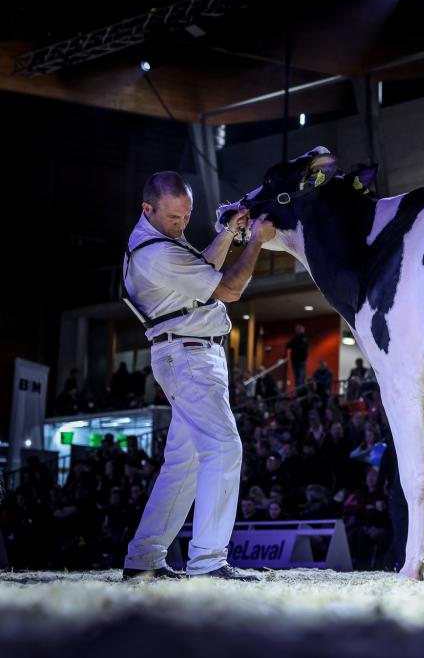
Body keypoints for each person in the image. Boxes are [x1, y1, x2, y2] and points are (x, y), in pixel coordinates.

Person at [120, 170, 273, 581]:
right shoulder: (155, 253)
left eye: (186, 216)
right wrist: (256, 239)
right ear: (146, 208)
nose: (181, 224)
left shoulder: (160, 239)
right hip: (188, 355)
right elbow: (227, 289)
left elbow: (201, 267)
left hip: (186, 352)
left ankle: (145, 559)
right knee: (223, 449)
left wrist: (226, 233)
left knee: (184, 463)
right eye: (174, 217)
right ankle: (207, 561)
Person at [286, 324, 309, 390]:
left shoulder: (305, 338)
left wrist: (295, 345)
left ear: (303, 330)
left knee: (301, 378)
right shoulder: (294, 338)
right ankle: (297, 393)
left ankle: (301, 393)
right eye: (297, 329)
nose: (298, 330)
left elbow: (302, 346)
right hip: (294, 360)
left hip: (302, 360)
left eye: (299, 329)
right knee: (296, 378)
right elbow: (288, 345)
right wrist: (296, 344)